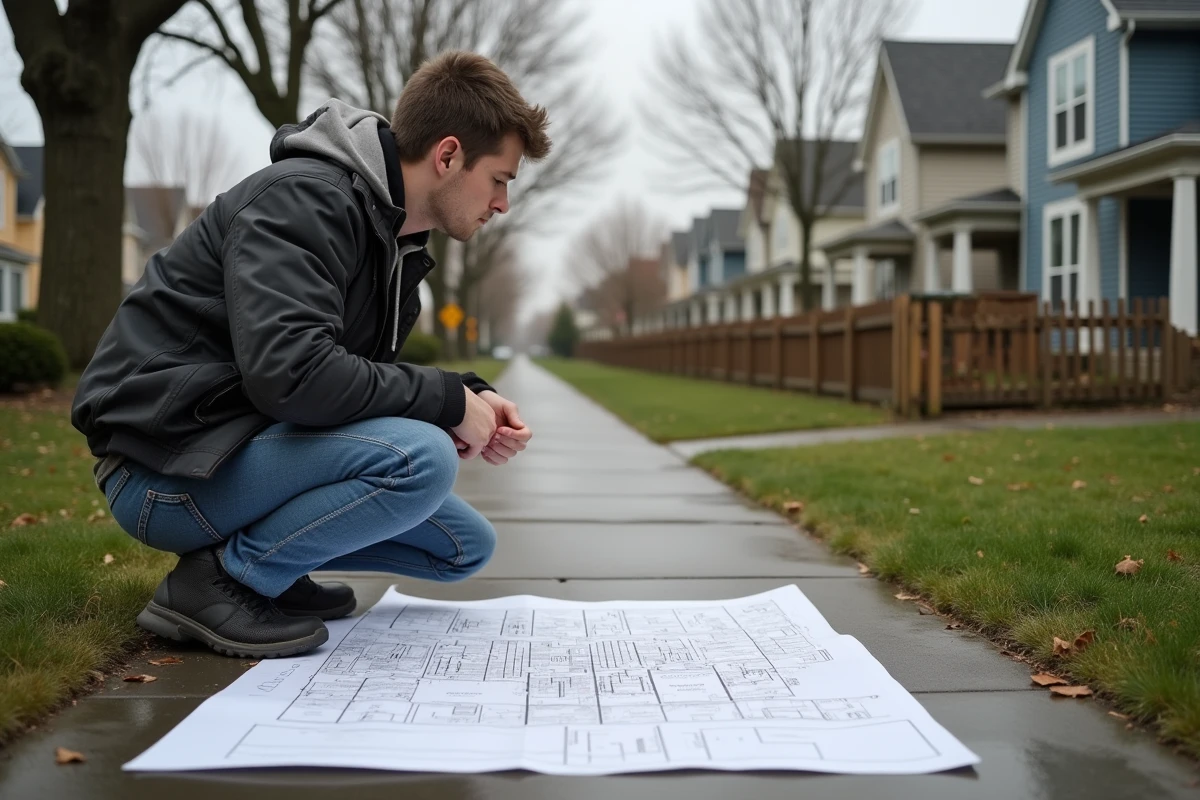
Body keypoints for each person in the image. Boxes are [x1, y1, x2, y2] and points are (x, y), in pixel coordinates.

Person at [70, 51, 551, 659]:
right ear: (449, 155)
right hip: (163, 470)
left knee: (463, 547)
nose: (502, 203)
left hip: (232, 446)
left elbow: (345, 379)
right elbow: (292, 375)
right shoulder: (303, 201)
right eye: (500, 179)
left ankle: (274, 568)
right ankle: (221, 582)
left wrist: (465, 394)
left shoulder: (391, 240)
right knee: (422, 461)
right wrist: (442, 402)